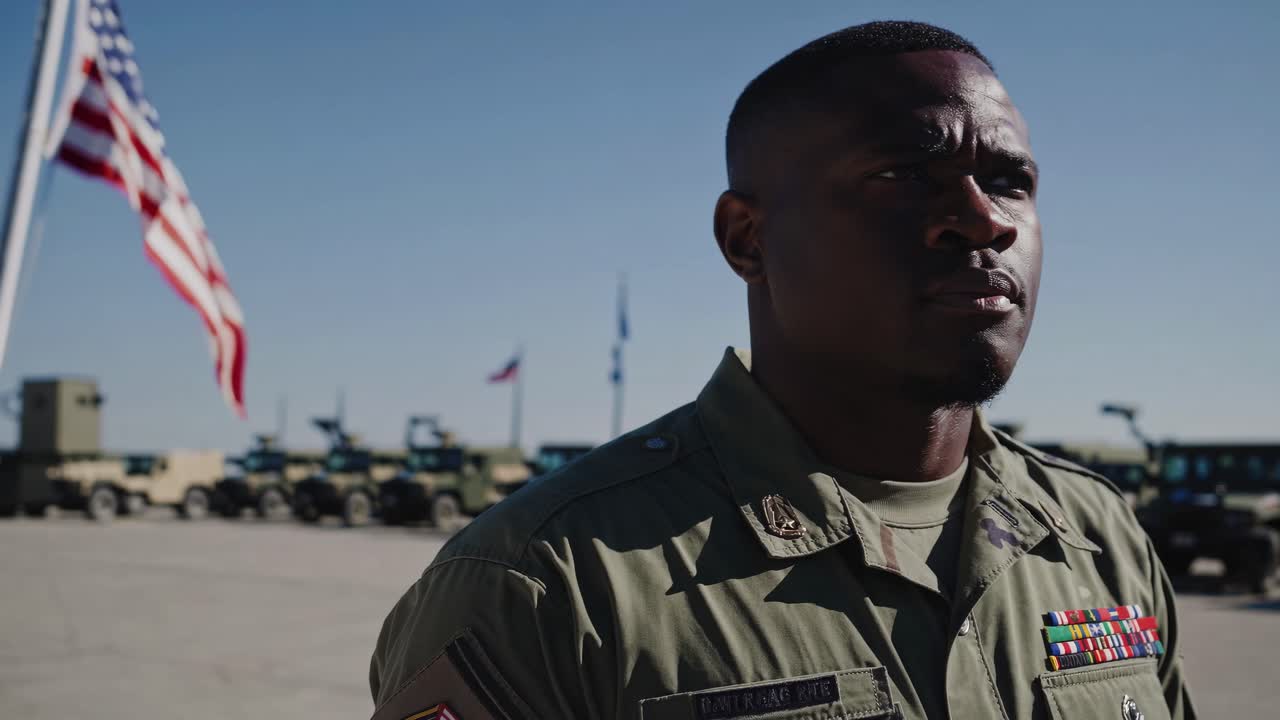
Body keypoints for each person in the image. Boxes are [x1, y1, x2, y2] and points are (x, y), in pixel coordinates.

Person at [369, 20, 1195, 720]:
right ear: (747, 240)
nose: (983, 221)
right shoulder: (552, 586)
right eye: (904, 175)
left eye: (1010, 181)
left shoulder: (1095, 537)